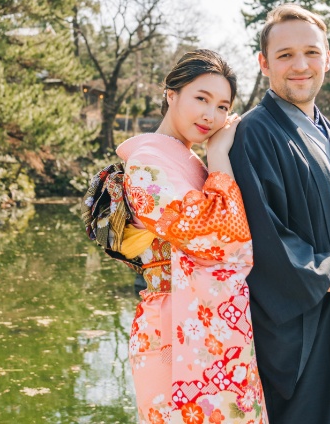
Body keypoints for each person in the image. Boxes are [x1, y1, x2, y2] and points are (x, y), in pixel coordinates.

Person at [229, 4, 330, 424]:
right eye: (284, 55)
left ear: (328, 59)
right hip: (299, 337)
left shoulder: (329, 131)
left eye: (311, 52)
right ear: (264, 64)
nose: (300, 65)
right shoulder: (254, 132)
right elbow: (261, 234)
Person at [114, 49, 268, 424]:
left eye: (221, 106)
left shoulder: (187, 160)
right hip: (170, 323)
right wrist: (219, 152)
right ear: (172, 94)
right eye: (201, 98)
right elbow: (222, 237)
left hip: (199, 320)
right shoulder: (147, 162)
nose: (210, 115)